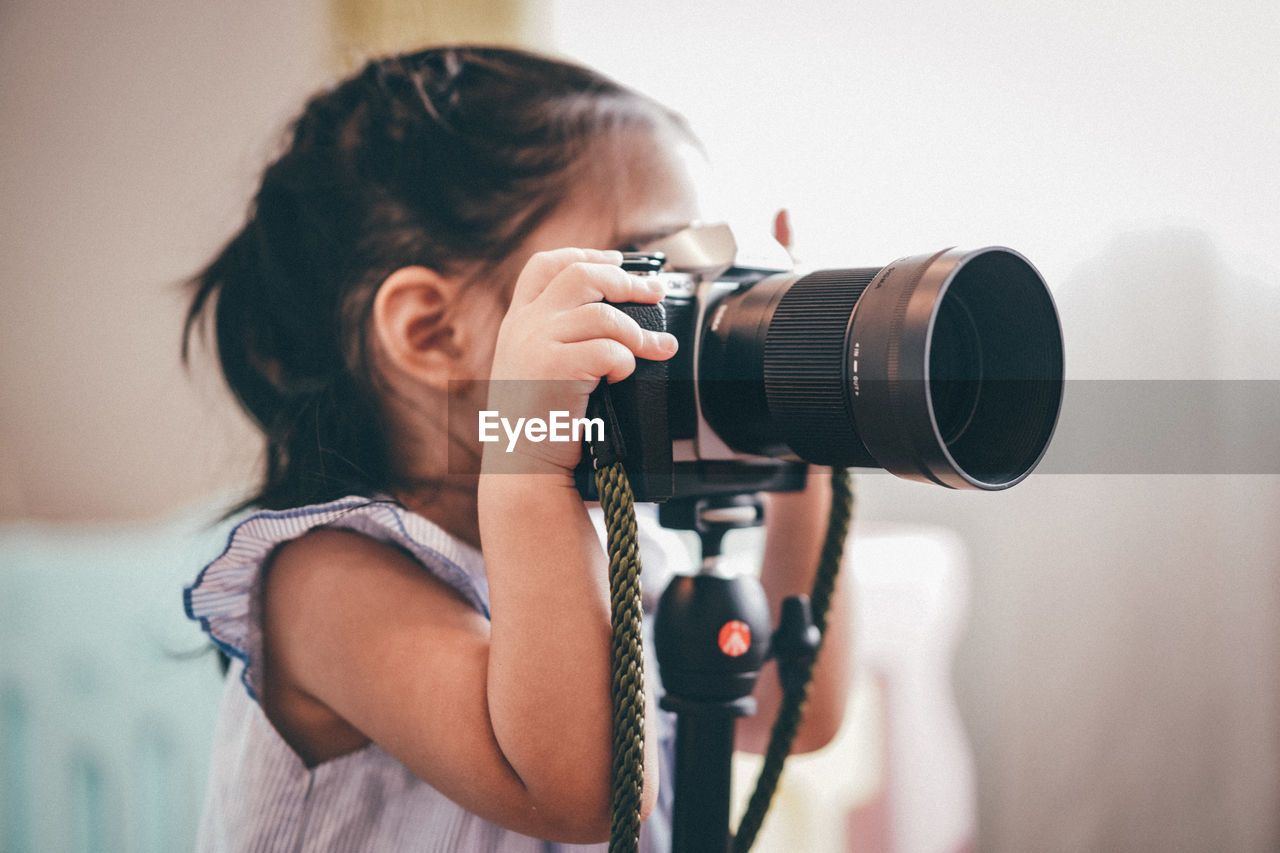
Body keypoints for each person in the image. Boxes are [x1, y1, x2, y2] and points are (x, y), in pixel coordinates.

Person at [182, 45, 850, 851]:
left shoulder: (612, 544)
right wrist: (529, 453)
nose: (690, 306)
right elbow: (587, 792)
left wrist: (808, 413)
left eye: (698, 271)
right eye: (650, 269)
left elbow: (791, 711)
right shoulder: (325, 581)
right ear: (433, 332)